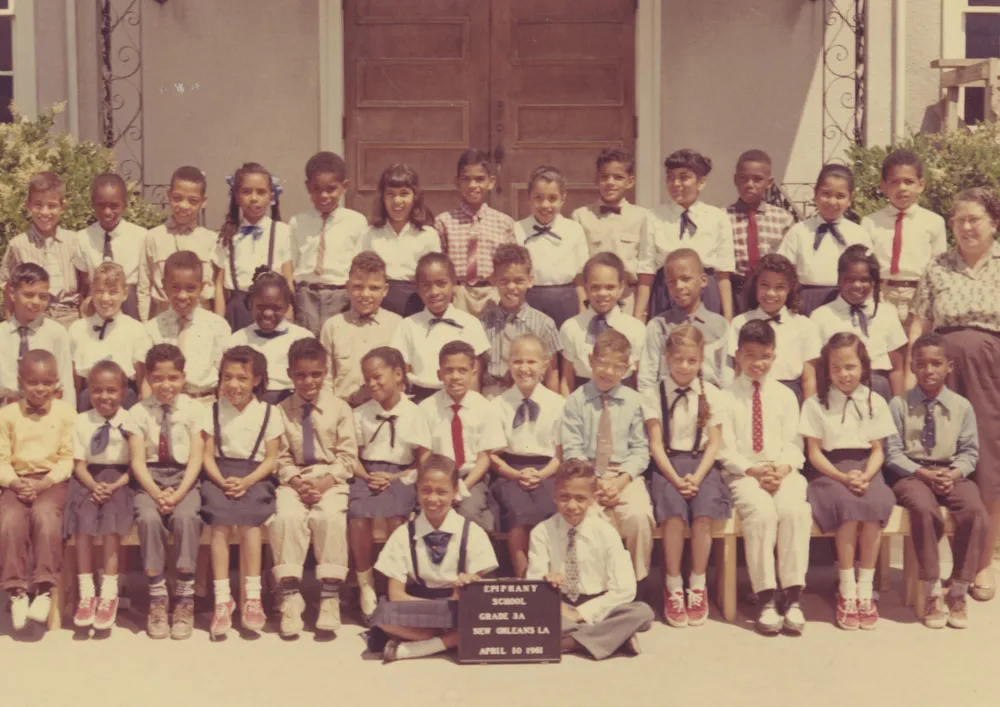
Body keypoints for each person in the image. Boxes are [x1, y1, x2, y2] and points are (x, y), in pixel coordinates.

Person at [909, 187, 1000, 602]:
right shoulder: (938, 266)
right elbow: (920, 323)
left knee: (988, 462)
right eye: (958, 220)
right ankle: (949, 564)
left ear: (993, 222)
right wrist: (914, 378)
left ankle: (980, 564)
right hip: (940, 374)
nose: (965, 227)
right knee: (940, 455)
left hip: (990, 374)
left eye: (973, 219)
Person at [885, 332, 989, 628]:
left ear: (949, 367)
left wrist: (953, 473)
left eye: (936, 364)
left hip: (951, 472)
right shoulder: (899, 405)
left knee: (975, 511)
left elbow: (970, 452)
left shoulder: (961, 406)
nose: (929, 370)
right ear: (913, 368)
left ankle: (957, 589)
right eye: (921, 364)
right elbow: (892, 453)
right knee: (923, 509)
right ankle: (931, 587)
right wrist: (923, 474)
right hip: (912, 473)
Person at [717, 320, 811, 635]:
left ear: (774, 356)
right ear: (738, 355)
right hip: (744, 472)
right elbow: (724, 448)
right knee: (761, 511)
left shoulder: (785, 395)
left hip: (781, 469)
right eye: (750, 355)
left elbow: (795, 443)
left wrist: (782, 469)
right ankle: (766, 597)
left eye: (765, 356)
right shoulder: (725, 397)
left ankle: (793, 595)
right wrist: (752, 471)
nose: (757, 363)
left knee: (794, 510)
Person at [799, 333, 897, 630]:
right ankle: (846, 588)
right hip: (829, 471)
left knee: (874, 504)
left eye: (851, 367)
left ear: (864, 367)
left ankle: (865, 590)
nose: (844, 374)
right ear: (827, 371)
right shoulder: (816, 404)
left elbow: (879, 450)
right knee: (848, 506)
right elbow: (814, 453)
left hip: (866, 467)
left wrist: (866, 475)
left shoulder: (875, 400)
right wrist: (843, 477)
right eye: (837, 368)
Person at [368, 453, 499, 663]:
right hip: (421, 605)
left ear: (455, 491)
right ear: (417, 490)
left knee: (490, 617)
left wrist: (469, 584)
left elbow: (479, 586)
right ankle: (449, 640)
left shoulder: (472, 532)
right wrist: (436, 611)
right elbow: (396, 594)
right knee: (382, 615)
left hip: (459, 606)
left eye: (442, 492)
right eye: (426, 491)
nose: (433, 499)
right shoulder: (404, 534)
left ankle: (419, 647)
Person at [272, 337, 358, 637]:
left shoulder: (340, 409)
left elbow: (348, 458)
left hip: (330, 477)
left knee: (330, 517)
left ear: (326, 372)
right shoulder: (281, 410)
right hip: (294, 478)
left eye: (316, 374)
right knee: (286, 518)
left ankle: (330, 596)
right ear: (290, 374)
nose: (308, 381)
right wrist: (296, 482)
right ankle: (290, 597)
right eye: (300, 375)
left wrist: (323, 483)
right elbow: (280, 458)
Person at [644, 325, 728, 627]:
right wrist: (677, 479)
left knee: (704, 513)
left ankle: (698, 582)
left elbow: (715, 443)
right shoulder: (654, 394)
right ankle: (673, 584)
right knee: (675, 516)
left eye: (691, 361)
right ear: (667, 358)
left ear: (701, 360)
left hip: (701, 465)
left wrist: (697, 476)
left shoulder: (712, 394)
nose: (684, 366)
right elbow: (655, 444)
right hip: (667, 464)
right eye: (678, 359)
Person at [527, 460, 653, 659]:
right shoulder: (541, 532)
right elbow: (533, 583)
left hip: (599, 603)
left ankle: (569, 641)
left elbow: (625, 589)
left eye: (580, 498)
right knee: (531, 614)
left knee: (642, 613)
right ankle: (613, 638)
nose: (572, 506)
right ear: (554, 496)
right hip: (560, 605)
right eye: (564, 497)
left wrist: (582, 614)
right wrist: (546, 579)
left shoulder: (606, 532)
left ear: (594, 499)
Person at [200, 346, 284, 640]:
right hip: (220, 475)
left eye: (241, 378)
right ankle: (222, 598)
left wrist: (248, 481)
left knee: (251, 521)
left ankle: (252, 596)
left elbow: (271, 459)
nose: (233, 385)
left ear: (257, 380)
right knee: (219, 521)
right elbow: (207, 456)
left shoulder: (269, 412)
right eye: (227, 377)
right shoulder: (211, 411)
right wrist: (222, 481)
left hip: (255, 476)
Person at [124, 344, 205, 640]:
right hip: (150, 479)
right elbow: (136, 460)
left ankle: (184, 596)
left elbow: (196, 458)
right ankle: (158, 595)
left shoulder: (196, 410)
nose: (165, 385)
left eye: (173, 378)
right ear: (147, 378)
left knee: (186, 518)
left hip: (185, 478)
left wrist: (179, 492)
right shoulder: (138, 412)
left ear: (184, 377)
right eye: (157, 378)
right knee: (147, 518)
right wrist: (157, 493)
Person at [561, 329, 653, 582]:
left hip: (624, 474)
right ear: (591, 360)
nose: (608, 372)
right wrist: (597, 481)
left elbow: (640, 449)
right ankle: (595, 584)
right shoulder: (575, 401)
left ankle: (636, 583)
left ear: (627, 369)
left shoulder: (634, 401)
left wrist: (620, 481)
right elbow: (572, 449)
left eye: (617, 366)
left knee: (639, 516)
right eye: (603, 363)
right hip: (586, 475)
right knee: (589, 519)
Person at [0, 350, 75, 632]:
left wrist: (45, 483)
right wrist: (14, 482)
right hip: (16, 479)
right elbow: (2, 458)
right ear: (21, 382)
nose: (40, 389)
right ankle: (16, 591)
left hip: (51, 482)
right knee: (8, 519)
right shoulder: (7, 415)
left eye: (46, 383)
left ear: (56, 382)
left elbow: (68, 457)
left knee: (46, 516)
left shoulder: (66, 413)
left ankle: (44, 588)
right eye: (33, 383)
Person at [351, 346, 422, 621]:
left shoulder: (415, 413)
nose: (372, 384)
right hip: (366, 473)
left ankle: (394, 583)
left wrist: (393, 478)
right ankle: (365, 583)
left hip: (402, 474)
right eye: (367, 378)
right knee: (358, 517)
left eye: (378, 377)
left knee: (396, 517)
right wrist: (367, 476)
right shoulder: (360, 414)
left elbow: (420, 460)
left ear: (398, 374)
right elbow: (352, 456)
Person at [404, 341, 505, 531]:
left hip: (471, 479)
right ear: (439, 374)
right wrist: (442, 487)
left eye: (462, 370)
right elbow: (424, 456)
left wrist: (461, 488)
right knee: (430, 514)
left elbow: (484, 459)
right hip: (436, 479)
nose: (455, 377)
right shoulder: (427, 408)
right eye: (449, 370)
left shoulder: (484, 408)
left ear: (473, 372)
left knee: (470, 513)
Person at [64, 361, 134, 631]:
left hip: (121, 480)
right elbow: (79, 464)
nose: (104, 397)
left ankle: (109, 592)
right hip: (88, 478)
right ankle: (86, 592)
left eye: (111, 390)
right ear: (88, 392)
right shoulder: (81, 421)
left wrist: (114, 486)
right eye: (97, 390)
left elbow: (134, 465)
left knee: (112, 523)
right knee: (83, 519)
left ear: (124, 391)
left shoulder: (131, 420)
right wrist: (94, 486)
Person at [489, 334, 564, 577]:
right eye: (517, 361)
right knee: (519, 511)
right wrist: (517, 474)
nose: (524, 368)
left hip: (548, 471)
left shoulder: (558, 404)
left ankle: (549, 577)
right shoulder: (497, 404)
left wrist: (541, 475)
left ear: (545, 365)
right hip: (510, 471)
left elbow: (561, 453)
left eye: (531, 362)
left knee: (550, 509)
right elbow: (491, 455)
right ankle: (524, 580)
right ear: (508, 364)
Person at [636, 149, 735, 321]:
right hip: (666, 292)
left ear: (701, 182)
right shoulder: (653, 217)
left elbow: (723, 271)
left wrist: (728, 315)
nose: (675, 183)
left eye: (683, 177)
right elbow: (647, 269)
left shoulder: (717, 217)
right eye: (670, 177)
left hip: (705, 291)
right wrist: (638, 314)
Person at [861, 149, 947, 325]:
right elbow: (865, 265)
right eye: (895, 182)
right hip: (882, 294)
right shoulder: (870, 222)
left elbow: (939, 266)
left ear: (920, 185)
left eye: (909, 182)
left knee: (916, 347)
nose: (902, 188)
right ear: (883, 186)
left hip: (919, 295)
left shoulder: (934, 222)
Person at [390, 253, 490, 402]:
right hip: (419, 398)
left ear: (454, 284)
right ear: (417, 288)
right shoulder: (407, 325)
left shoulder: (470, 323)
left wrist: (470, 407)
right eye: (426, 286)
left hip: (460, 395)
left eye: (441, 283)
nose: (434, 292)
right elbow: (400, 370)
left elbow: (475, 374)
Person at [811, 245, 907, 401]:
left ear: (874, 282)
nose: (857, 285)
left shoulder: (886, 314)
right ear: (839, 280)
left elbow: (897, 369)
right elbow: (816, 369)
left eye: (865, 280)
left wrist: (899, 404)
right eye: (850, 279)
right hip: (837, 391)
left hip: (878, 390)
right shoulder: (820, 316)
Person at [289, 151, 368, 335]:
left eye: (331, 189)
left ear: (344, 186)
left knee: (337, 342)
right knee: (307, 345)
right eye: (317, 189)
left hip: (340, 294)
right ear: (308, 187)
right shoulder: (297, 222)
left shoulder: (356, 222)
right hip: (306, 295)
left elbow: (360, 265)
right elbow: (291, 263)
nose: (324, 195)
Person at [777, 164, 872, 315]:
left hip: (845, 301)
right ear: (815, 194)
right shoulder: (799, 231)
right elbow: (784, 271)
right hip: (805, 301)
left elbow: (869, 274)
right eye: (826, 194)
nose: (832, 202)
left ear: (850, 199)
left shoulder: (858, 233)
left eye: (840, 196)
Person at [727, 254, 820, 403]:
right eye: (764, 285)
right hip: (749, 395)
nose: (771, 293)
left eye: (780, 287)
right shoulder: (740, 322)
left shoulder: (804, 326)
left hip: (790, 397)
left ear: (790, 289)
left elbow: (809, 380)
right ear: (755, 285)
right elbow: (736, 372)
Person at [213, 162, 294, 331]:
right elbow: (219, 286)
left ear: (272, 196)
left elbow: (288, 281)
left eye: (261, 192)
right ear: (236, 196)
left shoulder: (282, 232)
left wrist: (289, 318)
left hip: (271, 309)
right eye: (247, 191)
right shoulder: (227, 234)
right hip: (237, 311)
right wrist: (218, 324)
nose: (254, 198)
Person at [434, 149, 515, 316]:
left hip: (492, 292)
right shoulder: (444, 222)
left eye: (480, 179)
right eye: (466, 179)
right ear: (456, 182)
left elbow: (510, 265)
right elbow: (439, 264)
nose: (473, 186)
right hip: (458, 293)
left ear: (491, 182)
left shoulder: (504, 223)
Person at [0, 171, 87, 327]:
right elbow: (8, 287)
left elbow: (84, 283)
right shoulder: (18, 244)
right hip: (33, 318)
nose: (45, 212)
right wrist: (9, 325)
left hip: (70, 317)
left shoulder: (73, 241)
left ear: (62, 207)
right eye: (38, 205)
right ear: (28, 206)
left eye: (52, 206)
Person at [638, 249, 729, 393]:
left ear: (703, 280)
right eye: (672, 282)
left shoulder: (720, 325)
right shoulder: (658, 326)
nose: (679, 286)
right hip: (667, 403)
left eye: (686, 279)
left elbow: (725, 377)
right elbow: (646, 378)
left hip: (710, 403)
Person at [147, 250, 231, 404]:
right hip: (165, 406)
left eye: (190, 288)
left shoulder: (217, 326)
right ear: (164, 285)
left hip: (205, 404)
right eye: (175, 287)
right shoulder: (152, 328)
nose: (182, 295)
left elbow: (224, 376)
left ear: (202, 287)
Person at [320, 251, 401, 407]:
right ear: (347, 287)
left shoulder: (397, 325)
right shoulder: (332, 326)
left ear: (385, 290)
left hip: (383, 410)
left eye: (374, 288)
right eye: (358, 287)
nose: (365, 294)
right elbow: (326, 379)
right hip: (343, 409)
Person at [479, 244, 562, 397]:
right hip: (492, 395)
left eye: (519, 281)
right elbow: (477, 372)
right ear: (493, 280)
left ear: (530, 281)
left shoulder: (544, 324)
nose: (511, 287)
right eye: (504, 281)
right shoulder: (482, 323)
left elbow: (552, 372)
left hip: (532, 393)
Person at [572, 147, 646, 314]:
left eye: (618, 177)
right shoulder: (581, 216)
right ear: (597, 180)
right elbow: (578, 268)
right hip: (594, 298)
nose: (610, 182)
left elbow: (645, 269)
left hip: (628, 299)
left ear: (631, 181)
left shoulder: (642, 217)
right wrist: (584, 307)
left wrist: (640, 313)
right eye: (604, 177)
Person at [68, 261, 151, 411]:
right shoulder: (77, 329)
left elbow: (142, 380)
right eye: (99, 291)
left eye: (113, 292)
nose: (105, 299)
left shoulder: (136, 330)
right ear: (92, 291)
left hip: (124, 400)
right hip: (88, 401)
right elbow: (75, 380)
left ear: (125, 293)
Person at [513, 165, 588, 328]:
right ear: (529, 198)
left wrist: (583, 310)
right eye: (538, 198)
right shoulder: (517, 229)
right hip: (529, 299)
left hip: (566, 301)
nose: (545, 205)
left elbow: (580, 278)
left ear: (563, 199)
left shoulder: (573, 229)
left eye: (552, 198)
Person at [361, 163, 440, 317]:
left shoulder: (427, 234)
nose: (397, 201)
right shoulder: (369, 234)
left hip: (416, 303)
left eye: (404, 193)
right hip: (379, 305)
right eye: (390, 194)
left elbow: (433, 276)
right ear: (382, 198)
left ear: (415, 197)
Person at [138, 166, 217, 319]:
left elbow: (218, 291)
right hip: (163, 319)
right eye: (177, 198)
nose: (184, 206)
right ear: (168, 196)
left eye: (193, 201)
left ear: (203, 202)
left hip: (200, 320)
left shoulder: (211, 240)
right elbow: (144, 289)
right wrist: (144, 325)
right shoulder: (153, 237)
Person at [559, 253, 645, 393]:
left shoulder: (636, 329)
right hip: (582, 402)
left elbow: (639, 380)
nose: (602, 293)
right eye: (595, 287)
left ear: (621, 287)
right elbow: (566, 380)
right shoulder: (571, 327)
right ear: (585, 287)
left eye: (610, 287)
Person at [725, 150, 796, 312]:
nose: (750, 184)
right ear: (735, 179)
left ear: (769, 183)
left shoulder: (783, 218)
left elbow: (788, 262)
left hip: (770, 292)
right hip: (737, 290)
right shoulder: (723, 218)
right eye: (744, 178)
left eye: (757, 179)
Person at [228, 270, 313, 405]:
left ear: (287, 307)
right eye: (261, 307)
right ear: (251, 304)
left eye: (276, 308)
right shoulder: (238, 339)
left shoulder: (302, 337)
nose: (268, 313)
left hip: (292, 407)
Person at [0, 263, 76, 409]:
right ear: (11, 293)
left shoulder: (56, 333)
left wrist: (68, 418)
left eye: (43, 297)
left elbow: (66, 381)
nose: (36, 302)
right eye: (28, 295)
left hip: (47, 411)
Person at [77, 173, 147, 320]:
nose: (107, 212)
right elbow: (83, 284)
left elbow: (145, 284)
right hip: (97, 306)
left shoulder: (141, 237)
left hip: (130, 307)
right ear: (93, 203)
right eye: (101, 206)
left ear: (125, 204)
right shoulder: (81, 238)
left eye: (114, 206)